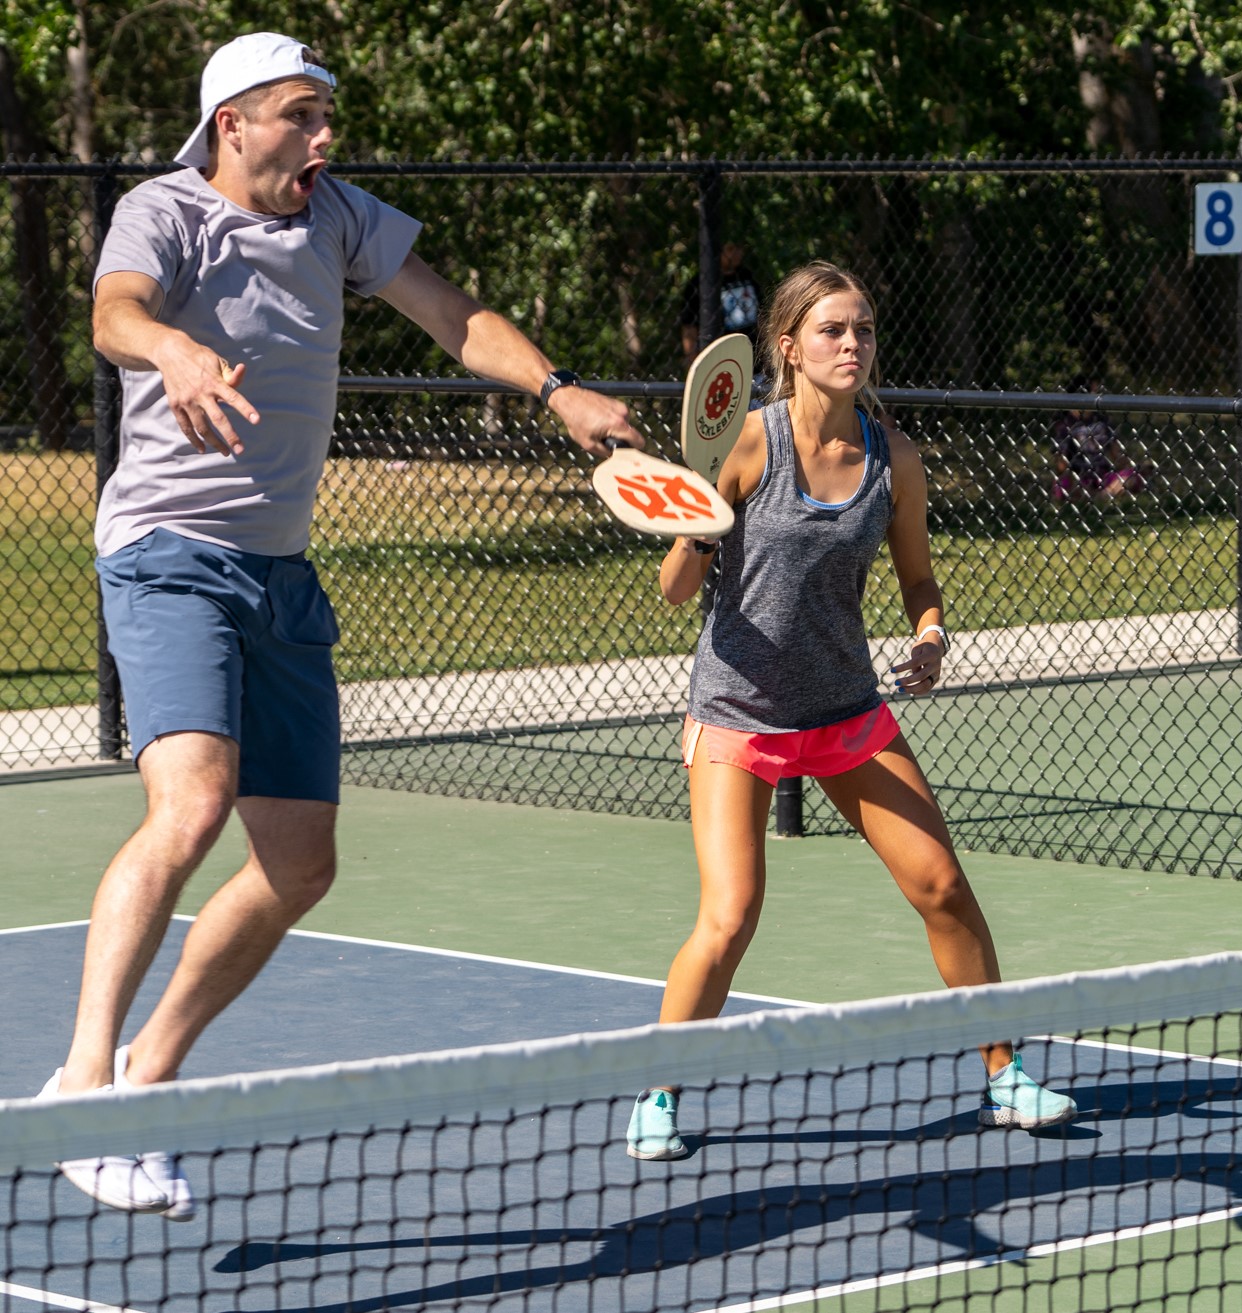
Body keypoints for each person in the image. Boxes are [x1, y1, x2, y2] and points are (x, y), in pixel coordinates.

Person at [36, 32, 643, 1220]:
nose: (326, 137)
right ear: (234, 125)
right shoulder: (165, 211)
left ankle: (149, 1082)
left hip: (279, 570)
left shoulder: (340, 215)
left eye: (328, 117)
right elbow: (114, 313)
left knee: (299, 861)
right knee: (193, 802)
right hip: (168, 552)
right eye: (303, 116)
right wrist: (174, 348)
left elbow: (450, 313)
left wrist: (558, 388)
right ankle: (85, 1082)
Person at [629, 261, 1077, 1161]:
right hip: (738, 714)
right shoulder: (748, 446)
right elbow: (677, 592)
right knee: (729, 916)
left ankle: (1004, 1076)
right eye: (833, 330)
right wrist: (699, 507)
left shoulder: (893, 456)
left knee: (943, 887)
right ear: (788, 348)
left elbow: (918, 580)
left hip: (845, 709)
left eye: (864, 329)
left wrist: (931, 633)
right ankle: (657, 1091)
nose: (852, 344)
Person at [1051, 379, 1147, 503]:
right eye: (1094, 393)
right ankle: (1092, 497)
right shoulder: (1064, 424)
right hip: (1077, 475)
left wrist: (1133, 466)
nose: (1098, 397)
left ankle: (1100, 496)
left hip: (1102, 475)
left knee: (1132, 475)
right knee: (1062, 483)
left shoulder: (1101, 421)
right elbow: (1061, 466)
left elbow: (1117, 455)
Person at [679, 240, 763, 361]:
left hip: (753, 354)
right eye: (730, 249)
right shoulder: (700, 284)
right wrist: (693, 358)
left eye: (740, 249)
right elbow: (689, 327)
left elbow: (761, 315)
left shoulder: (747, 275)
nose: (737, 253)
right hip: (718, 356)